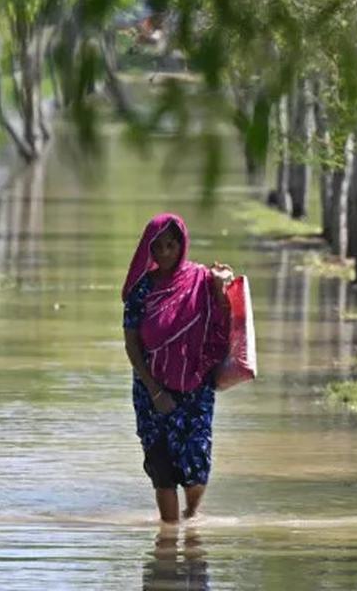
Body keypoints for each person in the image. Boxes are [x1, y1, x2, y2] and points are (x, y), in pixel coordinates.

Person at [122, 213, 233, 523]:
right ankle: (167, 539)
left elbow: (222, 325)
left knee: (196, 463)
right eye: (157, 248)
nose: (165, 253)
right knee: (161, 467)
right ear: (148, 250)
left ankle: (192, 515)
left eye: (171, 246)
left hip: (195, 385)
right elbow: (132, 345)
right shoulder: (141, 292)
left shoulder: (201, 280)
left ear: (181, 245)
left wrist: (221, 290)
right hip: (151, 388)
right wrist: (155, 392)